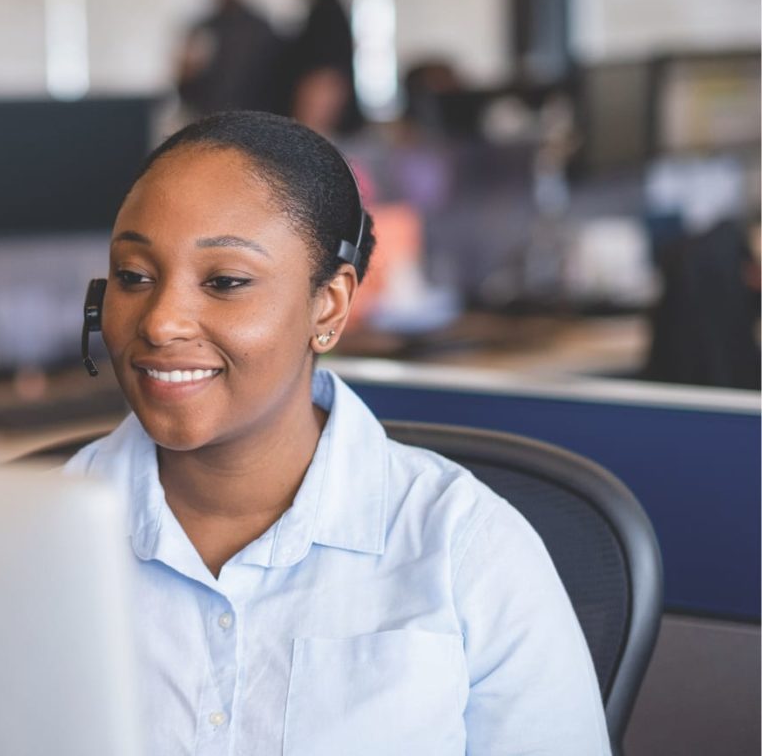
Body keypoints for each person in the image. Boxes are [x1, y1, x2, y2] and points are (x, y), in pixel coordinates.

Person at [64, 111, 610, 754]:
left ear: (328, 305)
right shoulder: (26, 541)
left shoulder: (467, 550)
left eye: (225, 281)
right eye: (134, 276)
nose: (160, 323)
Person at [176, 0, 284, 117]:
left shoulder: (260, 29)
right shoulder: (205, 28)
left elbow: (272, 78)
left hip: (251, 115)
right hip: (210, 116)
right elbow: (186, 84)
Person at [280, 0, 364, 136]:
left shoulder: (327, 13)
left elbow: (327, 79)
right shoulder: (320, 10)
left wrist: (308, 134)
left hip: (323, 132)